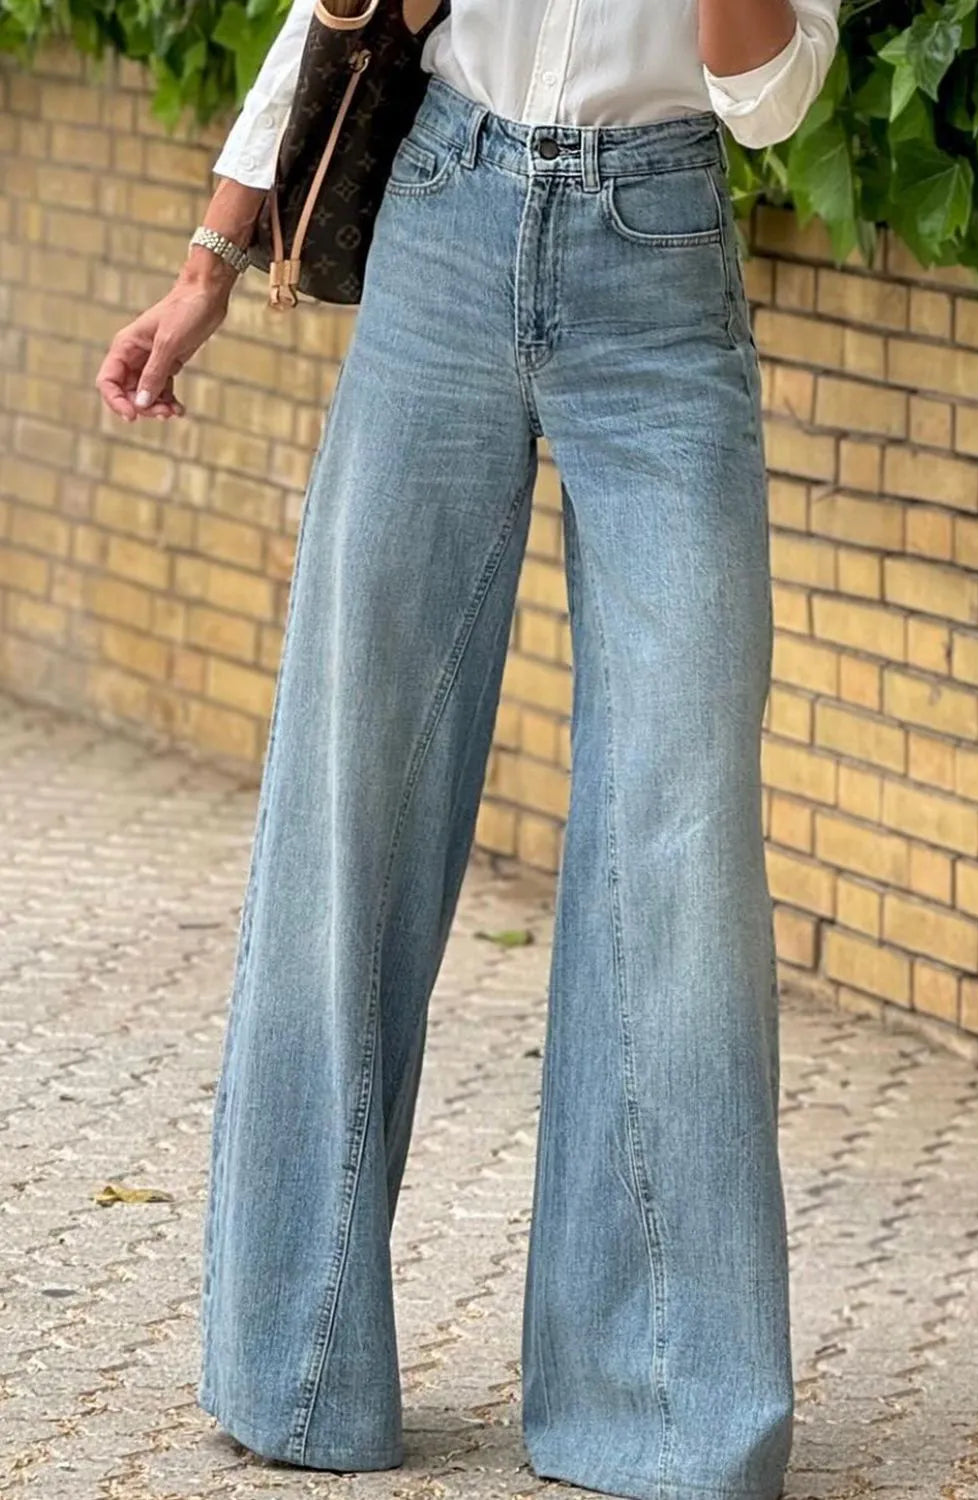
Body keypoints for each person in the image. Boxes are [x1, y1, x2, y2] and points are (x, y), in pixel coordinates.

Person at [96, 2, 841, 1496]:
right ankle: (295, 1363)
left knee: (678, 836)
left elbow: (771, 99)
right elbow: (338, 17)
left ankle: (663, 1411)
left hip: (661, 241)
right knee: (349, 797)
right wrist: (207, 267)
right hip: (444, 218)